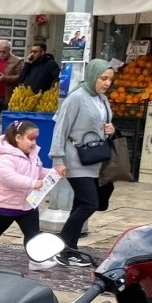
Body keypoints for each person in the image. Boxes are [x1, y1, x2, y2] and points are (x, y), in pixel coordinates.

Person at [49, 59, 116, 267]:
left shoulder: (102, 98)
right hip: (75, 158)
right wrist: (57, 159)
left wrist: (110, 129)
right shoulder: (76, 98)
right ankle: (62, 247)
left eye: (110, 79)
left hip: (93, 159)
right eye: (103, 78)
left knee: (79, 204)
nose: (107, 83)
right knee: (90, 203)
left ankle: (70, 249)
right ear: (92, 76)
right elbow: (61, 128)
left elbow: (102, 123)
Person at [0, 120, 57, 271]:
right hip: (6, 204)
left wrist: (54, 173)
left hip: (28, 204)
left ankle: (36, 260)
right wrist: (32, 183)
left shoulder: (32, 155)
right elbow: (9, 178)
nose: (34, 142)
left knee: (33, 233)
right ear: (18, 137)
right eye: (31, 138)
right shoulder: (5, 157)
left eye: (35, 139)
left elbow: (39, 171)